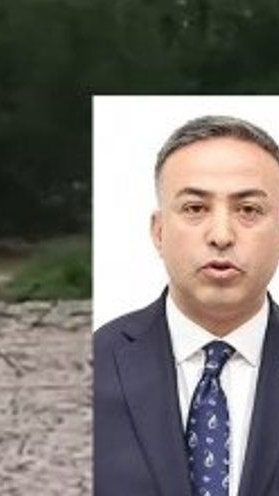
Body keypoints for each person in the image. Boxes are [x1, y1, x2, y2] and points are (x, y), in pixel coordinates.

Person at [94, 114, 279, 496]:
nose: (221, 236)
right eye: (195, 208)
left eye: (248, 210)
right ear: (159, 231)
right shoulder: (97, 363)